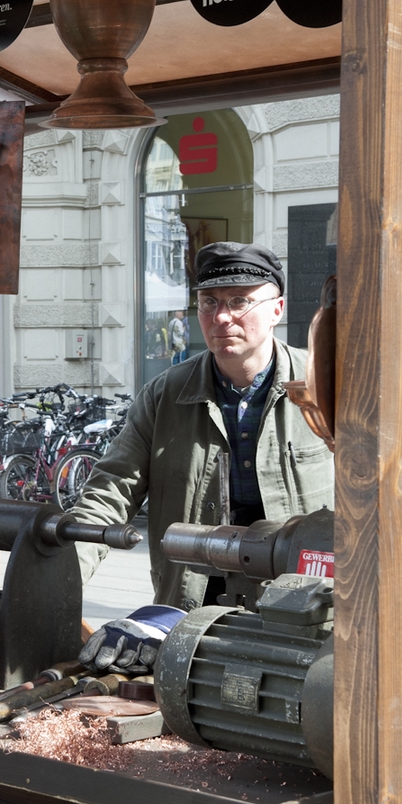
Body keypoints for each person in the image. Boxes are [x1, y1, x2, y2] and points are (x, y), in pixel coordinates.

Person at [69, 242, 334, 615]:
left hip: (304, 604)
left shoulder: (326, 386)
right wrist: (59, 578)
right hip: (194, 605)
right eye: (209, 302)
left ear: (277, 309)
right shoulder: (165, 395)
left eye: (239, 301)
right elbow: (110, 493)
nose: (222, 317)